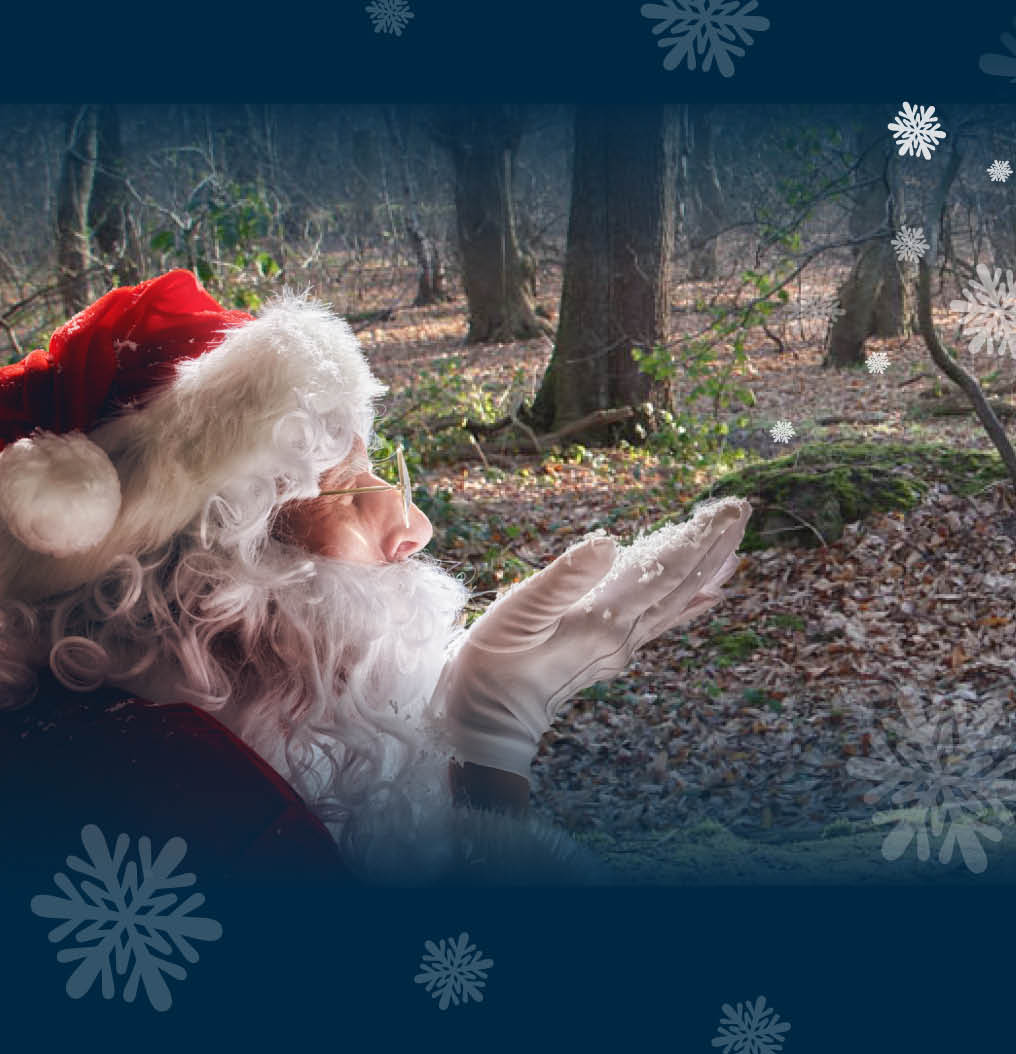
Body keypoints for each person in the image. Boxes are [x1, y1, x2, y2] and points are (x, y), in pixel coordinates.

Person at [0, 270, 751, 885]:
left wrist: (464, 747)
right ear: (201, 568)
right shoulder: (166, 792)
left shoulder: (215, 741)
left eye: (380, 471)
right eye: (351, 486)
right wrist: (491, 753)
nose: (415, 528)